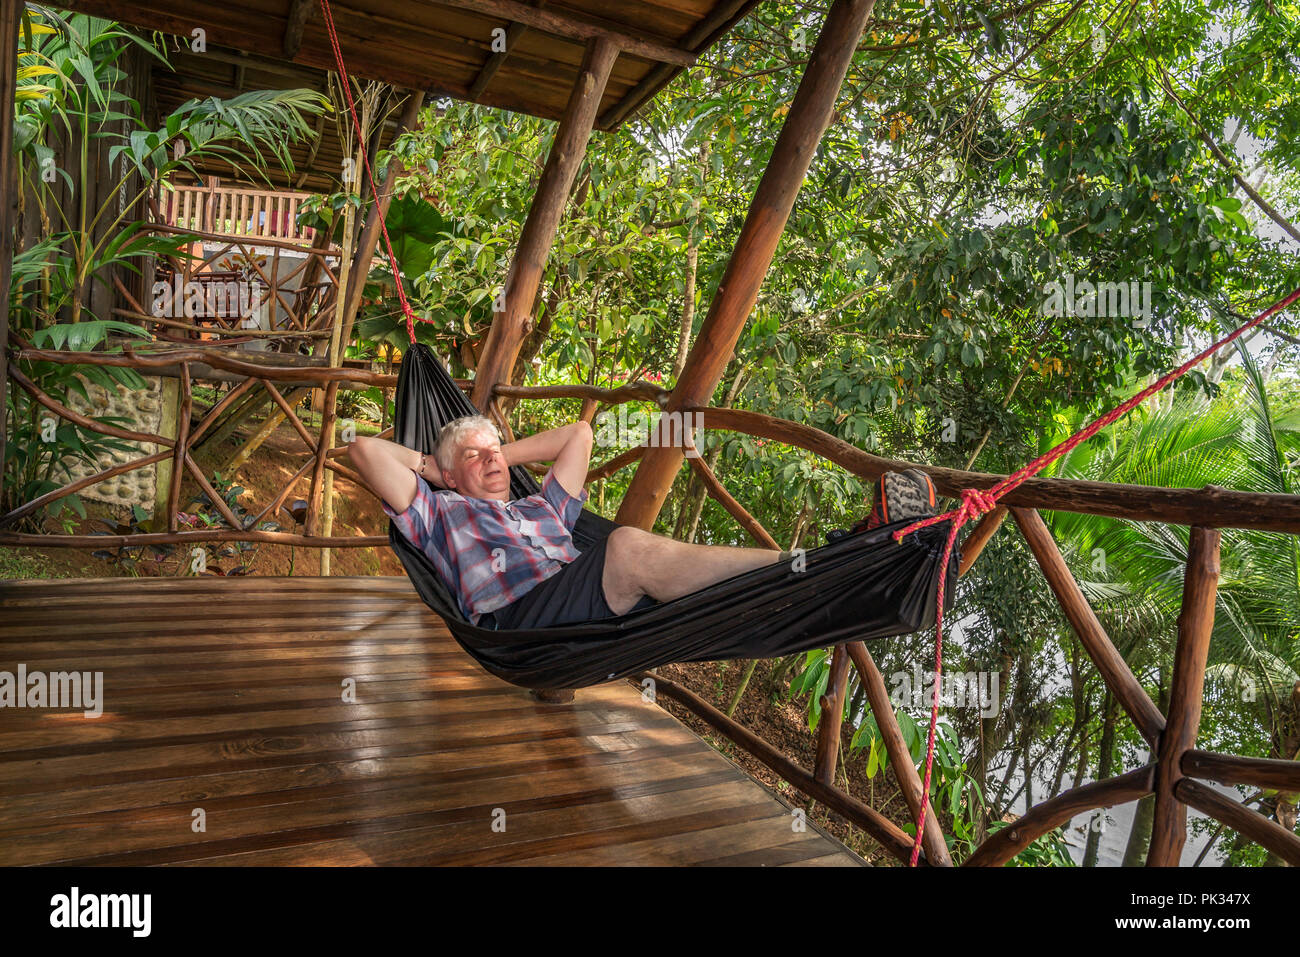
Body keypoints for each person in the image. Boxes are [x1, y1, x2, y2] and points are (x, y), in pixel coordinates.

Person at [347, 415, 936, 630]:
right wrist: (437, 468)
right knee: (626, 547)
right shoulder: (435, 511)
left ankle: (851, 559)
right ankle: (826, 560)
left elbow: (579, 434)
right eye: (473, 458)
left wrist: (496, 450)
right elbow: (365, 452)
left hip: (579, 597)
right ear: (446, 476)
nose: (491, 460)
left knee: (631, 552)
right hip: (516, 618)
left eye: (494, 450)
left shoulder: (540, 508)